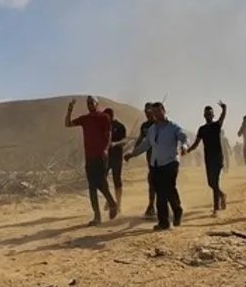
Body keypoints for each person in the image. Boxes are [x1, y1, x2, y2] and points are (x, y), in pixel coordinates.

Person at [125, 102, 188, 230]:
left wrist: (185, 146)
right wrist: (133, 154)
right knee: (160, 192)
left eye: (158, 111)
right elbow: (145, 144)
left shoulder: (173, 127)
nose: (156, 114)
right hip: (155, 164)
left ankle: (177, 210)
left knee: (169, 188)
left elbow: (183, 137)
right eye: (154, 113)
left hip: (170, 162)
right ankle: (163, 222)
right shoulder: (152, 130)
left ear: (163, 110)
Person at [65, 96, 120, 225]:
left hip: (100, 155)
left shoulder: (104, 117)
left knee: (101, 183)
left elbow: (109, 134)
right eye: (88, 103)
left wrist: (106, 149)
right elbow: (67, 124)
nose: (89, 105)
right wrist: (70, 109)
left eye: (92, 102)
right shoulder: (85, 119)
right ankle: (97, 216)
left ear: (97, 103)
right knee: (92, 186)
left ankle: (112, 203)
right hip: (89, 156)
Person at [186, 102, 229, 216]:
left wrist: (224, 108)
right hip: (208, 158)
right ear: (204, 115)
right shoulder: (202, 129)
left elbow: (222, 117)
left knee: (215, 181)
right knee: (210, 183)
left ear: (213, 115)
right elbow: (196, 143)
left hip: (218, 158)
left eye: (210, 114)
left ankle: (216, 209)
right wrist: (188, 150)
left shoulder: (216, 125)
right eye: (206, 114)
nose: (208, 116)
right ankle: (222, 195)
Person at [135, 103, 158, 218]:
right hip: (150, 157)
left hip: (161, 156)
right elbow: (140, 138)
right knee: (152, 181)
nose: (148, 113)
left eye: (149, 111)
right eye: (146, 111)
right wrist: (135, 149)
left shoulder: (159, 123)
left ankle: (164, 206)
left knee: (162, 181)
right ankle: (151, 206)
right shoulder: (144, 126)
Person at [104, 108, 129, 208]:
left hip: (116, 156)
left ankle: (119, 204)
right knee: (102, 179)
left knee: (117, 179)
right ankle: (109, 199)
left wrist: (115, 143)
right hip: (105, 157)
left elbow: (124, 141)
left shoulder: (120, 126)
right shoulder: (103, 126)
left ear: (111, 116)